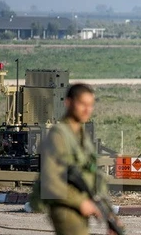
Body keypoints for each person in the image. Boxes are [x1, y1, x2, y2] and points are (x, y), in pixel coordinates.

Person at [33, 83, 122, 235]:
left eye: (91, 105)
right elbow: (50, 181)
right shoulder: (59, 135)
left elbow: (93, 177)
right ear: (68, 102)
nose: (87, 110)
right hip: (65, 208)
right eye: (82, 104)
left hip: (81, 207)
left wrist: (109, 214)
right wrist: (80, 202)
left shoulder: (82, 136)